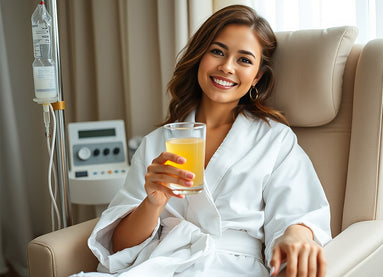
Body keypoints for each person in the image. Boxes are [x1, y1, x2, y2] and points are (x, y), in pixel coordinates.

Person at [80, 5, 331, 277]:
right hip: (159, 264)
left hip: (231, 267)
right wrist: (153, 203)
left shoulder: (274, 140)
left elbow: (297, 214)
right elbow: (120, 247)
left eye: (244, 60)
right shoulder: (157, 142)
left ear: (257, 76)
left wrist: (297, 235)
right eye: (217, 52)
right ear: (200, 56)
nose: (226, 67)